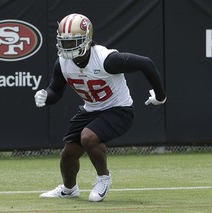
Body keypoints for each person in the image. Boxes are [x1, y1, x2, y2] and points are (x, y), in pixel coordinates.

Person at [34, 13, 166, 202]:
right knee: (68, 154)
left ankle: (103, 178)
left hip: (119, 109)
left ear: (87, 40)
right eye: (64, 42)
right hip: (92, 109)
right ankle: (69, 189)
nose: (67, 48)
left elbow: (146, 63)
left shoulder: (106, 60)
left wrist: (161, 96)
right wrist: (46, 96)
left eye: (72, 43)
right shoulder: (62, 63)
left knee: (88, 137)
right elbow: (55, 91)